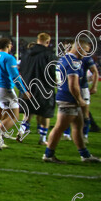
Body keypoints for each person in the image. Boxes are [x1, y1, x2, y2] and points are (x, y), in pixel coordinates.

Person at [43, 35, 100, 163]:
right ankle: (48, 154)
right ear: (79, 48)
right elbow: (73, 84)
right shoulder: (73, 62)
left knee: (77, 126)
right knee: (59, 128)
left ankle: (85, 155)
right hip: (68, 99)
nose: (86, 54)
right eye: (85, 50)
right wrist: (79, 99)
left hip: (66, 97)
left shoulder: (64, 59)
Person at [0, 37, 30, 150]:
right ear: (8, 45)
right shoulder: (9, 58)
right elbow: (15, 76)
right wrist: (23, 90)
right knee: (14, 116)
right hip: (4, 89)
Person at [17, 33, 56, 145]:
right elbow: (52, 72)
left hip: (27, 87)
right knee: (45, 114)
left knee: (28, 113)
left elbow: (20, 69)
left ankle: (21, 132)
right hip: (44, 88)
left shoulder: (25, 53)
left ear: (37, 40)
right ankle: (42, 139)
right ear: (48, 42)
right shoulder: (49, 54)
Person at [79, 52, 98, 140]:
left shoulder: (86, 59)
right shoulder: (67, 58)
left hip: (83, 88)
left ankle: (85, 136)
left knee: (85, 112)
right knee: (69, 112)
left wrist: (94, 86)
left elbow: (95, 72)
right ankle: (66, 134)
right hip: (69, 89)